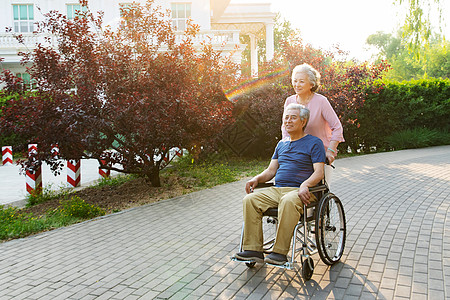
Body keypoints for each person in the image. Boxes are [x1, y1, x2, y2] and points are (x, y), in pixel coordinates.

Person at [234, 103, 326, 265]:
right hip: (278, 190)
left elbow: (319, 172)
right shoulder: (281, 144)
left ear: (303, 122)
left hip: (301, 191)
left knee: (288, 200)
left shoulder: (314, 143)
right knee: (250, 200)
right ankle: (254, 249)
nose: (288, 121)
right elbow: (271, 171)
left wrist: (305, 184)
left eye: (293, 117)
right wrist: (256, 178)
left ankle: (280, 252)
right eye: (286, 118)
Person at [281, 63, 344, 164]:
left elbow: (337, 128)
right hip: (297, 154)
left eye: (301, 81)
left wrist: (330, 151)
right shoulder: (289, 101)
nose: (297, 85)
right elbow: (285, 127)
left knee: (318, 179)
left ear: (311, 84)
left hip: (319, 155)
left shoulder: (321, 101)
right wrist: (286, 147)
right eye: (295, 81)